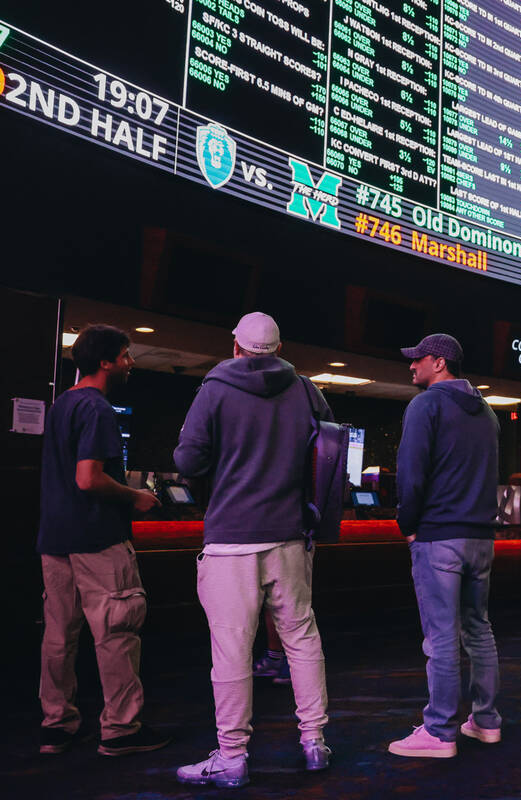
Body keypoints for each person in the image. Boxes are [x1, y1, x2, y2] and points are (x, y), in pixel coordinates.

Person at [173, 312, 333, 787]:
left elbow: (187, 458)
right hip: (289, 537)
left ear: (235, 347)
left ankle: (233, 755)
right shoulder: (305, 389)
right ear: (279, 350)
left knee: (232, 651)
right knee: (302, 640)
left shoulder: (214, 389)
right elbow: (329, 448)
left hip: (230, 541)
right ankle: (315, 742)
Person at [36, 324, 171, 757]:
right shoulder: (97, 409)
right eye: (126, 355)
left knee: (59, 636)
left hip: (56, 539)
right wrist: (136, 497)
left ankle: (57, 725)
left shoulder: (62, 405)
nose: (131, 363)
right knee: (117, 632)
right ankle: (120, 729)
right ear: (107, 361)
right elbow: (88, 478)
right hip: (97, 538)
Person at [387, 334, 502, 759]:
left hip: (439, 536)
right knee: (479, 629)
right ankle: (486, 722)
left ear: (439, 362)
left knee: (441, 638)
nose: (411, 366)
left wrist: (408, 525)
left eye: (417, 359)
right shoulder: (487, 411)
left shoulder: (426, 405)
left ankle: (439, 732)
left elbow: (411, 472)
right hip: (481, 537)